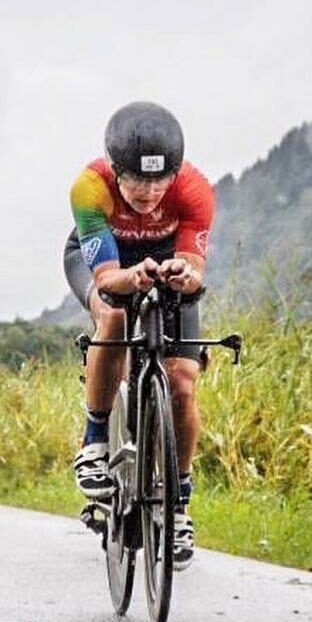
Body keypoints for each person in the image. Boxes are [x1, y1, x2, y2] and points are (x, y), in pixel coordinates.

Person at [63, 101, 213, 570]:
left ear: (175, 173)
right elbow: (108, 279)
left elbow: (194, 270)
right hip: (108, 260)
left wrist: (183, 275)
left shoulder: (195, 189)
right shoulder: (90, 187)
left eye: (159, 180)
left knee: (182, 381)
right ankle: (94, 442)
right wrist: (132, 276)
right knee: (112, 316)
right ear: (115, 170)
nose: (148, 192)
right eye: (135, 180)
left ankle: (178, 504)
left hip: (165, 258)